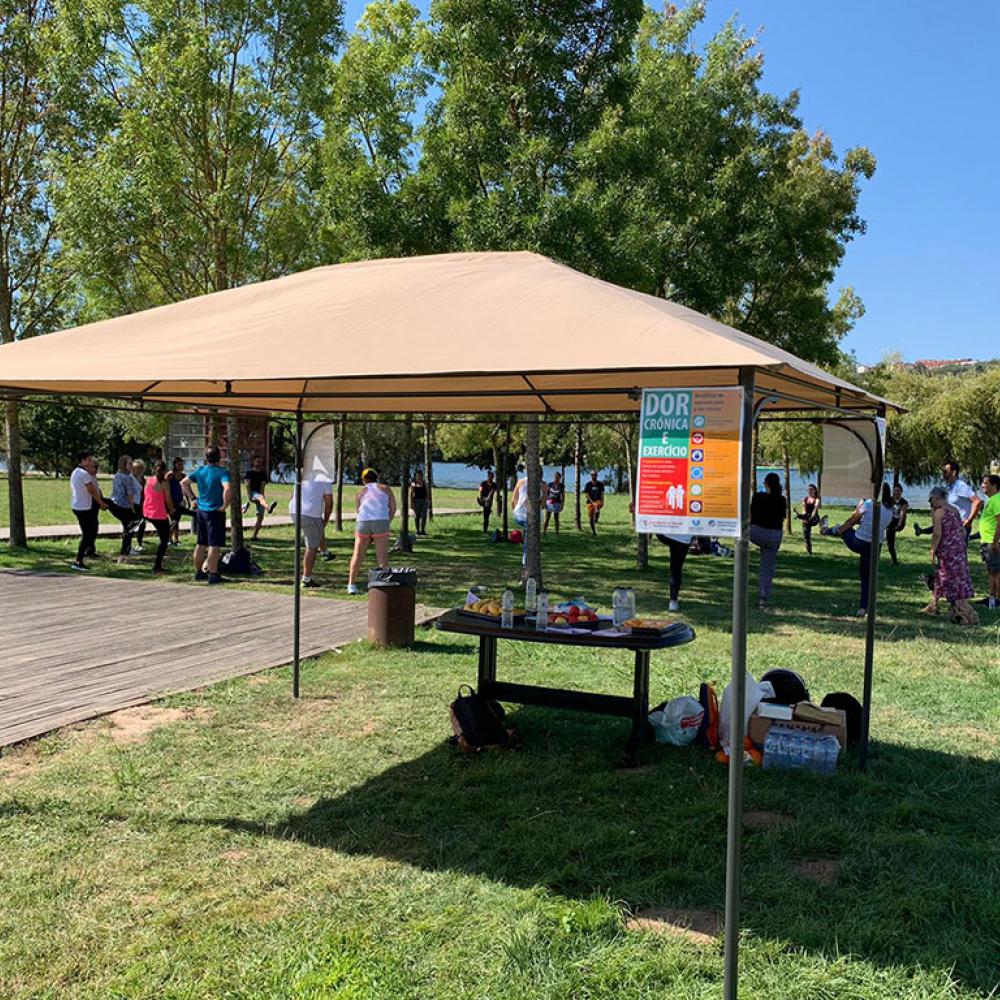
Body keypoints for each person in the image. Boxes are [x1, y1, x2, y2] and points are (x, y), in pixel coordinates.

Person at [820, 483, 894, 616]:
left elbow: (852, 521)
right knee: (868, 578)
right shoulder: (890, 510)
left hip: (859, 542)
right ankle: (863, 608)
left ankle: (827, 530)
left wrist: (839, 531)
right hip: (876, 546)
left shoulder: (869, 504)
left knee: (843, 528)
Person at [921, 486, 978, 624]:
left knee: (946, 577)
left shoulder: (939, 513)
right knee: (946, 576)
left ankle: (960, 610)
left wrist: (932, 550)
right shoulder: (954, 510)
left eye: (930, 500)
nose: (930, 504)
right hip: (958, 548)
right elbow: (962, 531)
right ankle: (933, 604)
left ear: (936, 498)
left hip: (947, 550)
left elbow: (937, 534)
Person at [181, 446, 232, 585]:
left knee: (201, 543)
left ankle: (199, 572)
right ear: (219, 457)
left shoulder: (200, 471)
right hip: (215, 512)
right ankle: (213, 573)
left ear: (206, 457)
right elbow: (227, 488)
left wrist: (193, 498)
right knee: (214, 545)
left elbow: (184, 483)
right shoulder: (223, 473)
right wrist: (224, 505)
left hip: (201, 512)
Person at [347, 468, 396, 595]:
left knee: (357, 554)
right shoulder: (386, 488)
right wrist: (386, 521)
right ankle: (383, 585)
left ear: (364, 480)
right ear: (376, 477)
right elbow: (393, 508)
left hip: (364, 522)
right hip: (381, 520)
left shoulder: (360, 492)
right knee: (382, 555)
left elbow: (358, 510)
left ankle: (351, 584)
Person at [915, 461, 982, 539]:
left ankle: (921, 531)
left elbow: (977, 501)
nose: (943, 474)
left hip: (960, 526)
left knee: (957, 550)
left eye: (945, 472)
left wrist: (969, 520)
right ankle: (921, 531)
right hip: (951, 525)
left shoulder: (960, 486)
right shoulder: (951, 486)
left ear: (953, 472)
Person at [749, 472, 786, 610]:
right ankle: (763, 598)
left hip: (756, 532)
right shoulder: (782, 500)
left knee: (741, 534)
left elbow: (750, 515)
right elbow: (782, 518)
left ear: (766, 483)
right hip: (774, 536)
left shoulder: (758, 497)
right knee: (767, 568)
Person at [290, 475, 334, 588]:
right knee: (311, 547)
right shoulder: (325, 480)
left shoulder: (303, 475)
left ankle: (325, 552)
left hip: (294, 511)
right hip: (311, 513)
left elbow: (293, 494)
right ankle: (306, 578)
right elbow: (329, 503)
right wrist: (326, 519)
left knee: (315, 530)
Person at [69, 451, 107, 570]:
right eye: (89, 460)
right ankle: (78, 561)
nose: (91, 462)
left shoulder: (75, 472)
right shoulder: (84, 474)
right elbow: (91, 490)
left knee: (91, 531)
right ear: (84, 460)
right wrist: (101, 503)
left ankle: (87, 552)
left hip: (78, 505)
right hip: (84, 507)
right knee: (87, 534)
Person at [108, 454, 142, 562]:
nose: (132, 465)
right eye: (130, 463)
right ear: (124, 464)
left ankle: (126, 550)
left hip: (114, 503)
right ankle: (124, 552)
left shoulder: (118, 474)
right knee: (130, 527)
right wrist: (132, 508)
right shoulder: (127, 478)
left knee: (128, 527)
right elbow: (130, 494)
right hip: (124, 505)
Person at [143, 461, 175, 574]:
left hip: (147, 511)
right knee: (164, 540)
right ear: (165, 470)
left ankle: (157, 566)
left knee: (164, 536)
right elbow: (168, 500)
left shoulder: (148, 480)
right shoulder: (164, 483)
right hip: (159, 514)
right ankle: (157, 566)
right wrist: (172, 510)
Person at [976, 474, 1000, 610]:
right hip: (988, 541)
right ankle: (992, 597)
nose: (982, 486)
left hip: (992, 542)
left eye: (985, 483)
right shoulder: (991, 500)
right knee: (991, 571)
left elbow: (999, 524)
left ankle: (996, 600)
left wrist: (995, 542)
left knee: (995, 572)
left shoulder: (996, 500)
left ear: (993, 485)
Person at [242, 455, 277, 541]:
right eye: (257, 461)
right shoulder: (249, 473)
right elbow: (247, 485)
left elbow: (262, 487)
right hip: (253, 493)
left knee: (260, 517)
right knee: (261, 498)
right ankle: (268, 508)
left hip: (260, 496)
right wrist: (250, 496)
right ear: (253, 462)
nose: (259, 463)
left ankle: (254, 535)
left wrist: (262, 497)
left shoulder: (263, 474)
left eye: (260, 462)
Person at [657, 532, 692, 612]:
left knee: (675, 569)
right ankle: (673, 601)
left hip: (670, 535)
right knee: (676, 569)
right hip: (682, 538)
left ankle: (673, 601)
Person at [167, 457, 193, 545]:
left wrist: (189, 500)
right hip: (171, 501)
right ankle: (169, 539)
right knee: (174, 520)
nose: (181, 466)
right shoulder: (170, 475)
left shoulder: (184, 476)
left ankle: (175, 539)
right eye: (179, 464)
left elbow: (187, 489)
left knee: (176, 520)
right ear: (175, 465)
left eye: (182, 464)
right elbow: (165, 487)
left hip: (179, 501)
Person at [885, 484, 909, 566]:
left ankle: (894, 560)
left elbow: (902, 514)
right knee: (889, 541)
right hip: (891, 522)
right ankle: (894, 560)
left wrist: (899, 525)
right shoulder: (890, 500)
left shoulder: (904, 502)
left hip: (899, 522)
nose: (896, 493)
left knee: (892, 532)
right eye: (895, 491)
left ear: (901, 492)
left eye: (898, 491)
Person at [794, 483, 821, 555]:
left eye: (811, 490)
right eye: (808, 490)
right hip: (807, 517)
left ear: (815, 490)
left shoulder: (817, 500)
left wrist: (810, 518)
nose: (810, 491)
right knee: (806, 536)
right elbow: (804, 510)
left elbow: (814, 510)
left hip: (814, 518)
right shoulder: (805, 499)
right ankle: (809, 552)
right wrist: (804, 517)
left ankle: (799, 516)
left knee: (808, 517)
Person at [130, 459, 147, 552]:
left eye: (141, 468)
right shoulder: (130, 479)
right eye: (136, 468)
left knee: (142, 523)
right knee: (132, 524)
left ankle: (140, 542)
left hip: (142, 503)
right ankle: (129, 545)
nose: (139, 470)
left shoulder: (143, 479)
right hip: (133, 504)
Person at [410, 471, 429, 536]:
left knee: (424, 516)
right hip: (416, 501)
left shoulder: (424, 483)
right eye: (417, 476)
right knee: (417, 516)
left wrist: (427, 500)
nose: (418, 477)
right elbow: (411, 494)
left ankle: (422, 530)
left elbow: (427, 492)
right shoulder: (413, 484)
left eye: (419, 476)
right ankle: (417, 530)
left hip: (423, 501)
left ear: (422, 476)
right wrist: (412, 503)